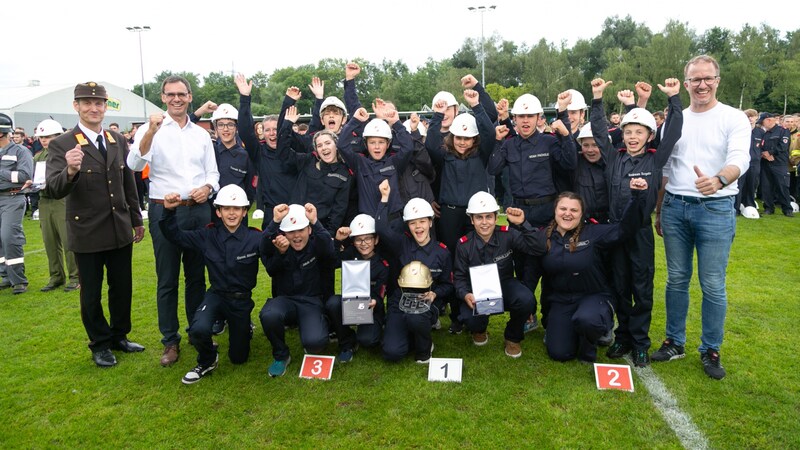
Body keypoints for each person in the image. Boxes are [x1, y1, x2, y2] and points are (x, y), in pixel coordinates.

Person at [653, 55, 751, 380]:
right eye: (695, 79)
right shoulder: (674, 120)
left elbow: (740, 159)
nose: (702, 85)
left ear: (718, 81)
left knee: (712, 284)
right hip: (676, 207)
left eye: (708, 78)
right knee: (677, 279)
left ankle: (710, 349)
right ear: (686, 83)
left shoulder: (734, 118)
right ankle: (674, 342)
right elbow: (665, 168)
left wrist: (720, 179)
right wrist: (659, 208)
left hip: (716, 208)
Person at [46, 82, 146, 367]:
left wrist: (136, 220)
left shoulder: (116, 139)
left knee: (122, 287)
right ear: (76, 106)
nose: (93, 108)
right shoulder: (62, 144)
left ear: (105, 107)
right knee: (91, 293)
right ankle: (99, 343)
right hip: (88, 232)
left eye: (99, 103)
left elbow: (128, 183)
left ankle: (119, 335)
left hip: (119, 229)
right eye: (87, 103)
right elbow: (53, 189)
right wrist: (71, 170)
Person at [590, 77, 683, 367]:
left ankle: (641, 342)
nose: (632, 137)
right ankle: (624, 336)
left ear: (649, 135)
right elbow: (596, 129)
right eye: (628, 131)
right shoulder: (613, 158)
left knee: (641, 290)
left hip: (640, 235)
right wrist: (596, 98)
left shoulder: (655, 160)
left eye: (638, 132)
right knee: (619, 287)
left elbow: (674, 132)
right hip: (615, 231)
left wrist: (674, 99)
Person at [127, 75, 220, 367]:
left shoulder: (201, 134)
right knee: (167, 278)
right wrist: (151, 132)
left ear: (190, 97)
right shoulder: (151, 128)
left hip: (198, 210)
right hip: (165, 211)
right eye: (171, 94)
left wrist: (207, 189)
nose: (176, 99)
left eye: (182, 94)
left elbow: (213, 174)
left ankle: (197, 330)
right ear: (163, 97)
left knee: (196, 276)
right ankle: (170, 340)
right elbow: (133, 164)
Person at [487, 90, 577, 329]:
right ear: (514, 119)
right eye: (520, 116)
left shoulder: (549, 141)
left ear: (539, 118)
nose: (525, 121)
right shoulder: (508, 145)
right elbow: (493, 168)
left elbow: (569, 163)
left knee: (548, 268)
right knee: (522, 266)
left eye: (530, 116)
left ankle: (549, 318)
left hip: (546, 215)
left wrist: (566, 136)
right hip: (518, 215)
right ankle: (527, 315)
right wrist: (497, 140)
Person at [159, 184, 265, 384]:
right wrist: (169, 211)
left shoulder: (256, 238)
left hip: (241, 301)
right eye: (226, 208)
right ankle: (208, 359)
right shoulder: (208, 235)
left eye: (236, 209)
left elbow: (275, 261)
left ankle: (243, 327)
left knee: (238, 358)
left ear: (244, 212)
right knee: (198, 330)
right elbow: (176, 236)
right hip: (216, 295)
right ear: (218, 212)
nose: (231, 213)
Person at [542, 178, 649, 363]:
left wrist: (637, 196)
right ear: (555, 211)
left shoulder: (594, 233)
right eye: (563, 209)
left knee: (587, 320)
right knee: (560, 353)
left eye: (574, 210)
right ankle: (571, 329)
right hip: (562, 300)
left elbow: (625, 229)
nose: (568, 214)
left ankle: (592, 341)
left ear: (582, 213)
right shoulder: (544, 236)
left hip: (594, 296)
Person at [376, 180, 453, 363]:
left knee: (416, 319)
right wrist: (384, 198)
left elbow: (448, 285)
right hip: (399, 300)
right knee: (392, 353)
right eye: (413, 223)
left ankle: (425, 348)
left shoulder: (442, 252)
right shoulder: (401, 244)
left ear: (430, 223)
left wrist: (435, 293)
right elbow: (380, 228)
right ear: (408, 226)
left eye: (422, 222)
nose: (418, 227)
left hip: (425, 302)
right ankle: (413, 335)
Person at [453, 191, 538, 357]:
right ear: (471, 219)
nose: (484, 223)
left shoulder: (508, 235)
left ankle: (513, 337)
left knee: (527, 300)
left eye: (488, 217)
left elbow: (537, 247)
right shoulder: (463, 245)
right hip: (476, 290)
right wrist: (465, 294)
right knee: (468, 317)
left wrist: (523, 224)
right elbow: (459, 278)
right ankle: (479, 329)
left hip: (504, 283)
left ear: (496, 217)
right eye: (479, 217)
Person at [259, 203, 334, 377]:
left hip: (311, 302)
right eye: (291, 232)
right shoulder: (280, 247)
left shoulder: (318, 245)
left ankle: (313, 327)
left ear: (309, 230)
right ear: (283, 233)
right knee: (269, 314)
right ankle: (281, 355)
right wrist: (275, 223)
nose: (296, 236)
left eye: (300, 230)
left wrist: (315, 221)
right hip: (286, 301)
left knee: (315, 343)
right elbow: (265, 254)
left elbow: (329, 250)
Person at [327, 214, 389, 362]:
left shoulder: (383, 265)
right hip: (350, 304)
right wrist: (337, 241)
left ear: (376, 239)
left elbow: (381, 293)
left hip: (371, 307)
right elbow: (332, 261)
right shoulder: (350, 254)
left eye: (368, 238)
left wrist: (375, 301)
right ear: (353, 242)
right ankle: (346, 342)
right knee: (332, 303)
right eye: (358, 239)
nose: (363, 243)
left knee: (368, 340)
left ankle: (375, 329)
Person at [33, 119, 80, 292]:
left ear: (58, 136)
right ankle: (56, 276)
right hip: (44, 200)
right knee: (50, 241)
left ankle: (75, 277)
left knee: (67, 239)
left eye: (48, 137)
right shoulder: (38, 156)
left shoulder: (65, 153)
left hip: (62, 199)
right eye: (41, 137)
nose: (44, 140)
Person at [0, 114, 34, 294]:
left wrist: (2, 174)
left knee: (9, 237)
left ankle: (18, 280)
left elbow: (25, 176)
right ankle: (5, 276)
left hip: (12, 198)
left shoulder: (20, 151)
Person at [758, 112, 793, 217]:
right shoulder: (764, 133)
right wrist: (764, 154)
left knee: (782, 187)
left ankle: (787, 209)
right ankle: (768, 208)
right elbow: (760, 146)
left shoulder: (783, 131)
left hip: (779, 163)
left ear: (768, 120)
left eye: (763, 122)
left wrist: (771, 153)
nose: (762, 124)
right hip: (766, 163)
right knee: (766, 187)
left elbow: (783, 146)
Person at [737, 109, 762, 218]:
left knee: (752, 185)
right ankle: (736, 208)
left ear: (757, 117)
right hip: (742, 162)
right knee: (739, 185)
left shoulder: (760, 132)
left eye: (752, 116)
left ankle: (750, 206)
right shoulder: (740, 130)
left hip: (755, 163)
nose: (750, 119)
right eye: (748, 116)